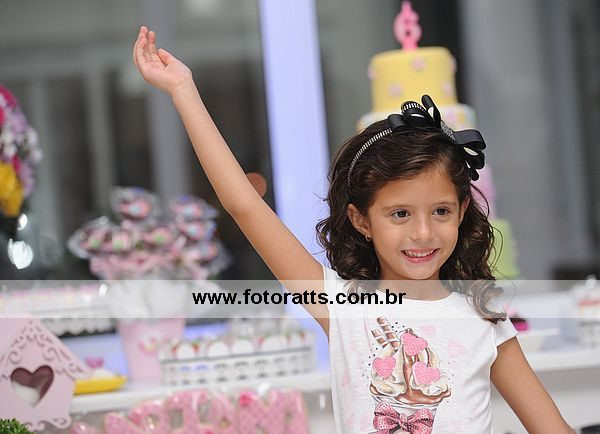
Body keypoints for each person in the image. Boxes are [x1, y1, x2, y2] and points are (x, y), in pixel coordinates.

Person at [133, 26, 574, 433]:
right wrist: (183, 90)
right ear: (362, 220)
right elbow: (244, 205)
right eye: (400, 214)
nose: (423, 233)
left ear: (462, 212)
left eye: (440, 211)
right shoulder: (343, 306)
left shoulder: (486, 321)